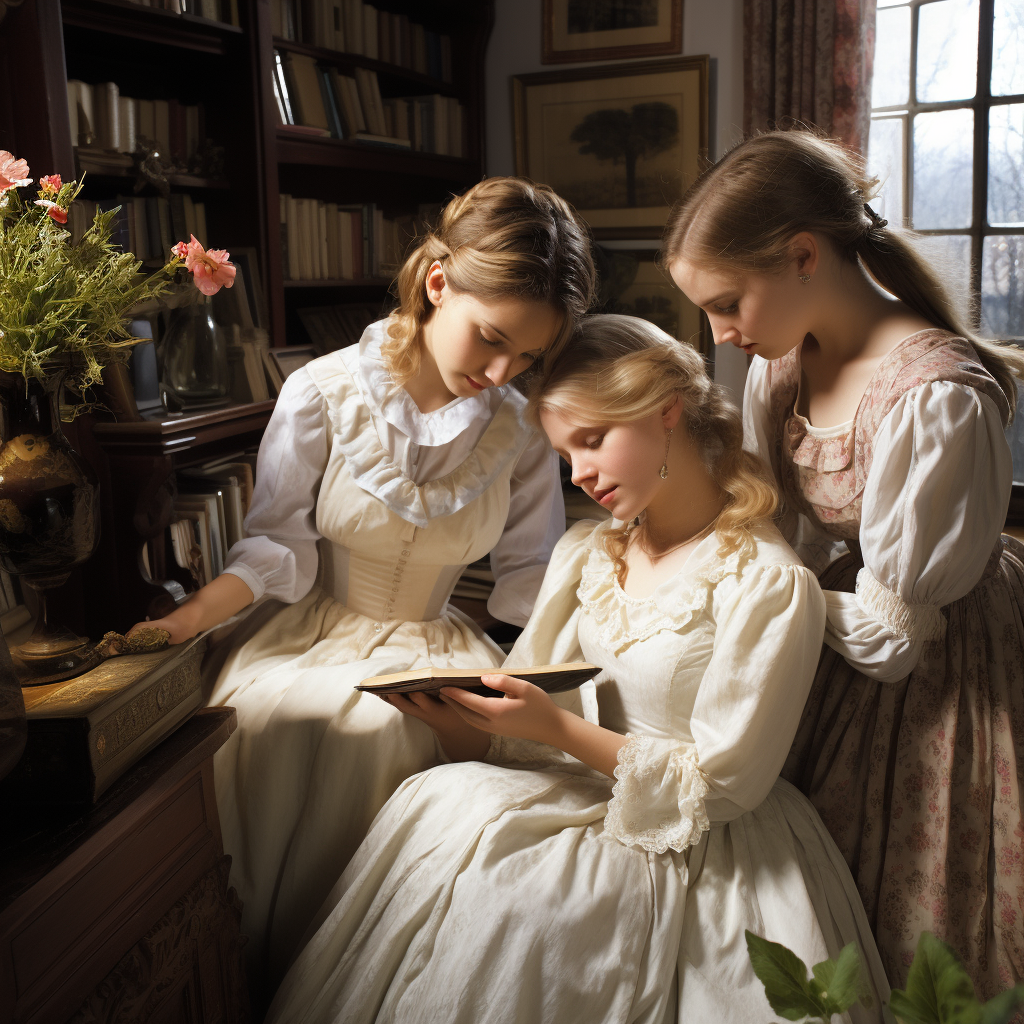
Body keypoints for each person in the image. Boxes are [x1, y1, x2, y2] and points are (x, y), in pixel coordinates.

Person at [263, 315, 891, 1024]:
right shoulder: (590, 553)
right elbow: (527, 715)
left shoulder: (769, 583)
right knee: (435, 810)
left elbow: (725, 784)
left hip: (700, 843)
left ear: (667, 411)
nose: (580, 475)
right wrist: (467, 729)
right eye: (565, 455)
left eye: (591, 442)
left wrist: (555, 729)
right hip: (569, 787)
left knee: (529, 909)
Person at [128, 177, 597, 997]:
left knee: (444, 744)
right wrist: (183, 622)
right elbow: (274, 546)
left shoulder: (519, 430)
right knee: (306, 723)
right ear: (438, 282)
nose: (500, 370)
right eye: (491, 339)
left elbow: (531, 582)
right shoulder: (322, 391)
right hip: (315, 634)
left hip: (438, 641)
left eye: (526, 357)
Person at [664, 128, 1024, 997]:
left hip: (938, 666)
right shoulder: (783, 365)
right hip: (840, 620)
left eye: (727, 304)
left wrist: (775, 595)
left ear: (801, 256)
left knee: (918, 906)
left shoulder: (935, 397)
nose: (719, 334)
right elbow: (773, 528)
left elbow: (897, 640)